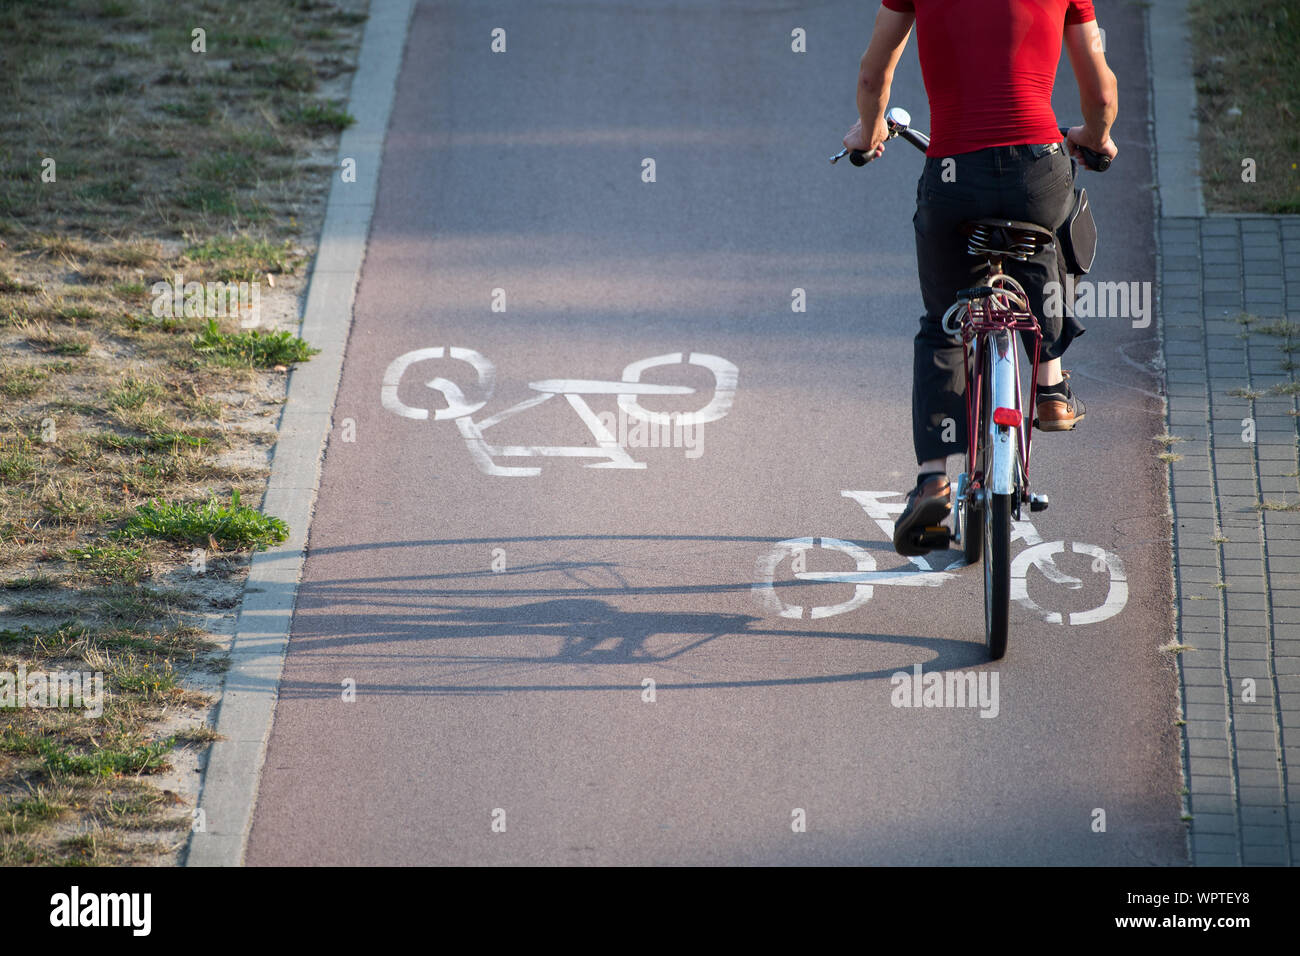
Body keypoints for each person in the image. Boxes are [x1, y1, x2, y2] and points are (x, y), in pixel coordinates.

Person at [842, 0, 1118, 557]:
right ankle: (1050, 386)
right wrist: (1095, 133)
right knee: (1056, 231)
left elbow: (875, 73)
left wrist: (869, 133)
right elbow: (1102, 89)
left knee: (943, 322)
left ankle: (933, 479)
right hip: (1035, 168)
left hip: (954, 177)